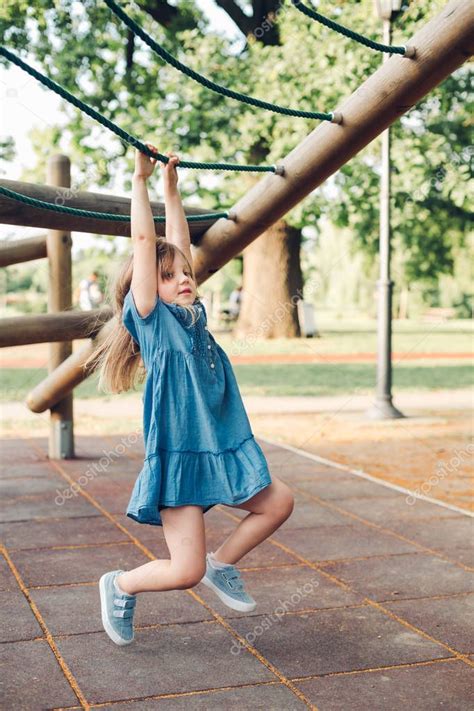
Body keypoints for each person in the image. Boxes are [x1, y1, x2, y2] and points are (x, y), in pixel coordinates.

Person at [90, 144, 294, 646]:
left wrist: (171, 188)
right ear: (145, 289)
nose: (183, 279)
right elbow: (147, 240)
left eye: (185, 274)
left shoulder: (192, 316)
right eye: (168, 276)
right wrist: (139, 182)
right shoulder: (154, 325)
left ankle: (221, 565)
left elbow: (176, 243)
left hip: (220, 450)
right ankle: (121, 584)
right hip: (181, 458)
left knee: (279, 502)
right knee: (182, 572)